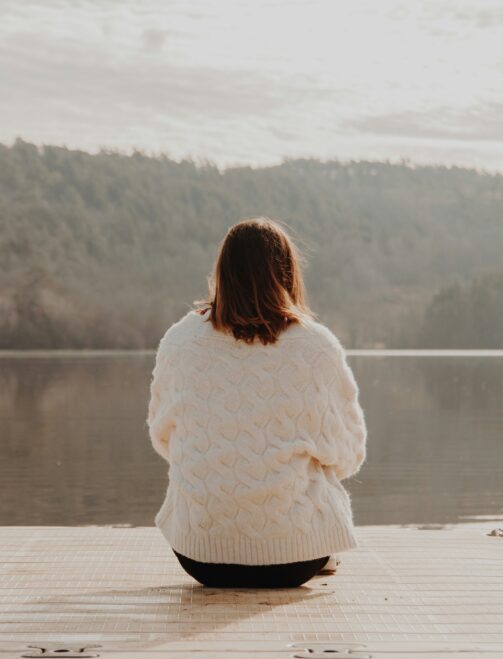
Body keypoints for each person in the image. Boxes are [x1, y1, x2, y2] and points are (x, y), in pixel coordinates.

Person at [146, 217, 367, 589]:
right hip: (295, 559)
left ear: (221, 273)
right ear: (288, 273)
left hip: (200, 557)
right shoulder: (316, 345)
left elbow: (162, 435)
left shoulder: (180, 339)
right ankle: (319, 546)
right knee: (319, 466)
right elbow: (348, 453)